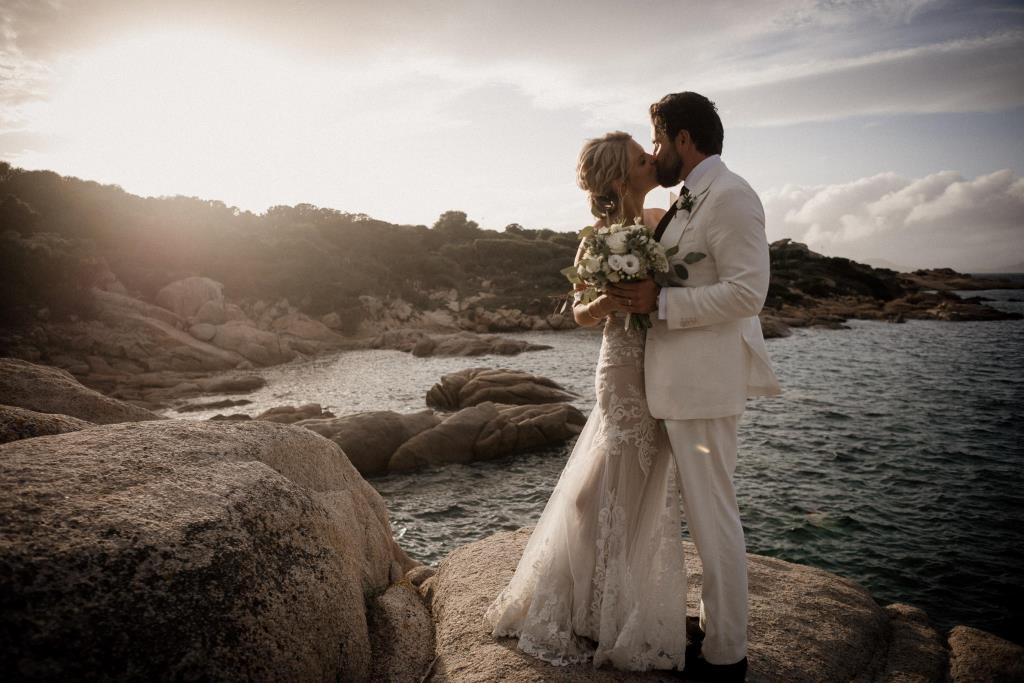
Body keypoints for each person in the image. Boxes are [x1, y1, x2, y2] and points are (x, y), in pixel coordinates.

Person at [483, 131, 689, 672]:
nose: (653, 160)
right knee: (598, 490)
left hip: (665, 365)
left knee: (640, 486)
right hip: (620, 367)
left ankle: (615, 606)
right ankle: (591, 610)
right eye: (641, 159)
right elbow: (577, 313)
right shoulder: (595, 240)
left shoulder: (664, 222)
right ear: (621, 179)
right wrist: (606, 301)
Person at [608, 91, 782, 682]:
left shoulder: (731, 196)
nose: (655, 152)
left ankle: (726, 657)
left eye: (658, 141)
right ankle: (712, 632)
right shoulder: (689, 197)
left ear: (683, 139)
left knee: (713, 519)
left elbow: (748, 293)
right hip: (678, 386)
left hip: (705, 386)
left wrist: (662, 303)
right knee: (704, 518)